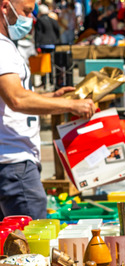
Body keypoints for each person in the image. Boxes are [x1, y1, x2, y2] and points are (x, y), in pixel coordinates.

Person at [0, 0, 95, 220]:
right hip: (14, 162)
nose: (30, 19)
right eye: (26, 11)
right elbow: (16, 99)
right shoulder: (2, 48)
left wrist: (49, 98)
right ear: (5, 7)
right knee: (33, 245)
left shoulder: (6, 45)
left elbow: (12, 97)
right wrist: (72, 105)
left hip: (12, 161)